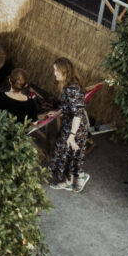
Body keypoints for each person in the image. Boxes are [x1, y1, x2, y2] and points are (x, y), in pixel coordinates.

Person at [46, 58, 90, 192]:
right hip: (72, 126)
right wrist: (58, 112)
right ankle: (77, 178)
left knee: (64, 153)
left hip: (75, 129)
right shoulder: (69, 86)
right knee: (68, 155)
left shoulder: (72, 89)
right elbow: (70, 107)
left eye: (56, 70)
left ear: (64, 72)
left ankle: (70, 181)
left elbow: (77, 114)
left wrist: (72, 136)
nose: (54, 73)